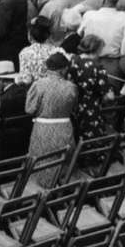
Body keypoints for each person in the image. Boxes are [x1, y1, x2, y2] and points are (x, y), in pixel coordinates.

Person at [26, 53, 77, 187]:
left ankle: (43, 196)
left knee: (42, 165)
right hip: (65, 129)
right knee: (62, 164)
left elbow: (29, 109)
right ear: (64, 69)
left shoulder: (39, 85)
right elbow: (73, 107)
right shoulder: (71, 87)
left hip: (43, 130)